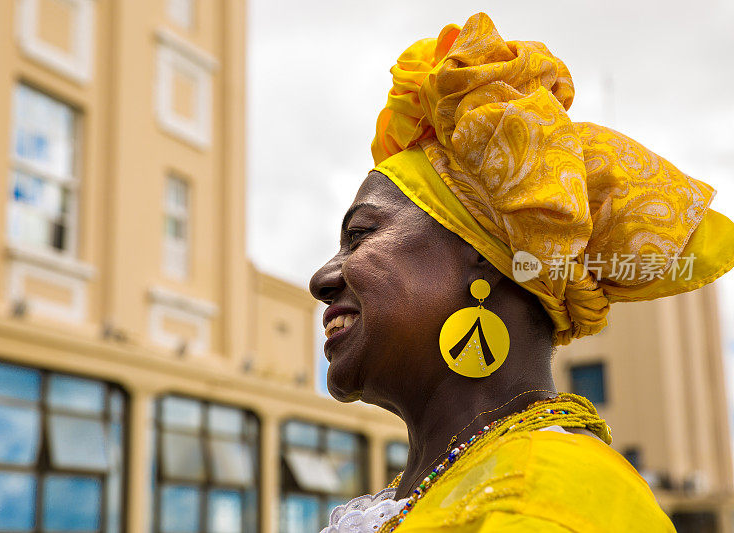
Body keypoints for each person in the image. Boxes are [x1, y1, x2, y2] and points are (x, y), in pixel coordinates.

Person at [308, 12, 734, 533]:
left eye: (361, 235)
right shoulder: (449, 487)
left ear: (485, 257)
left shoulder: (546, 497)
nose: (322, 278)